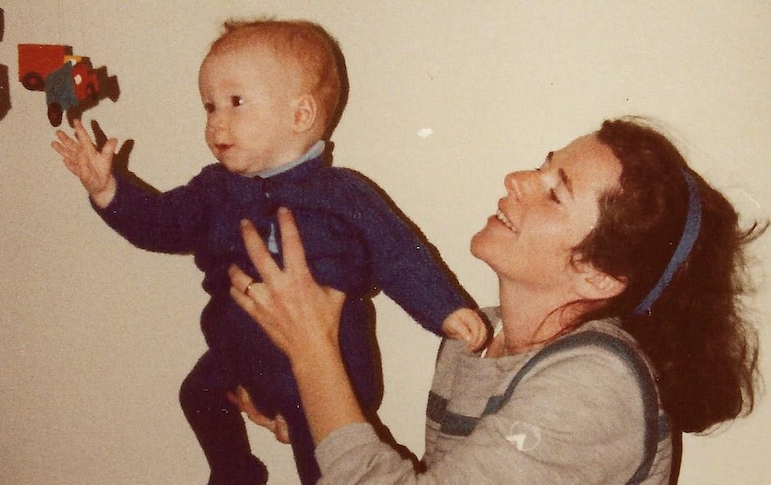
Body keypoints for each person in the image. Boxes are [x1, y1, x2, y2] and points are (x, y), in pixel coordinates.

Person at [51, 18, 487, 485]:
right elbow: (162, 224)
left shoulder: (342, 193)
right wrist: (107, 190)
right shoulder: (213, 190)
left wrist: (445, 309)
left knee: (318, 450)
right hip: (237, 354)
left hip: (329, 365)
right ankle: (234, 471)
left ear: (300, 115)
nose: (216, 120)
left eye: (236, 102)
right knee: (197, 394)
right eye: (209, 106)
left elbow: (399, 253)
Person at [228, 117, 765, 483]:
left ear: (600, 276)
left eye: (555, 191)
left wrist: (314, 357)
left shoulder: (597, 384)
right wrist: (314, 417)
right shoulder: (476, 341)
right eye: (543, 163)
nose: (519, 179)